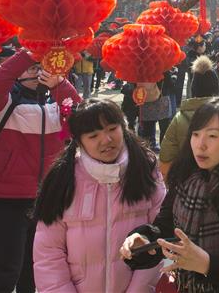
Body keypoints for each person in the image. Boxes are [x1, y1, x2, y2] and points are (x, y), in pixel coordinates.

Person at [120, 98, 219, 293]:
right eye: (196, 134)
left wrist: (207, 263)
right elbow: (165, 227)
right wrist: (145, 239)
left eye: (212, 136)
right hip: (185, 286)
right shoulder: (185, 174)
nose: (201, 145)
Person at [32, 99, 166, 293]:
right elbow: (48, 253)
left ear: (123, 127)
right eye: (93, 135)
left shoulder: (145, 168)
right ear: (79, 141)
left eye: (112, 129)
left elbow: (158, 237)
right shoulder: (62, 179)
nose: (106, 140)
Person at [0, 49, 81, 293]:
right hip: (10, 198)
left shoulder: (56, 104)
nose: (39, 72)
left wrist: (60, 84)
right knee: (5, 271)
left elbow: (80, 119)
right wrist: (30, 52)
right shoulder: (4, 103)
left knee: (34, 269)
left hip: (48, 197)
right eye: (33, 68)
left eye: (43, 67)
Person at [159, 55, 219, 177]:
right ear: (216, 89)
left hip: (186, 181)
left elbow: (165, 158)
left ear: (193, 90)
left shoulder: (179, 119)